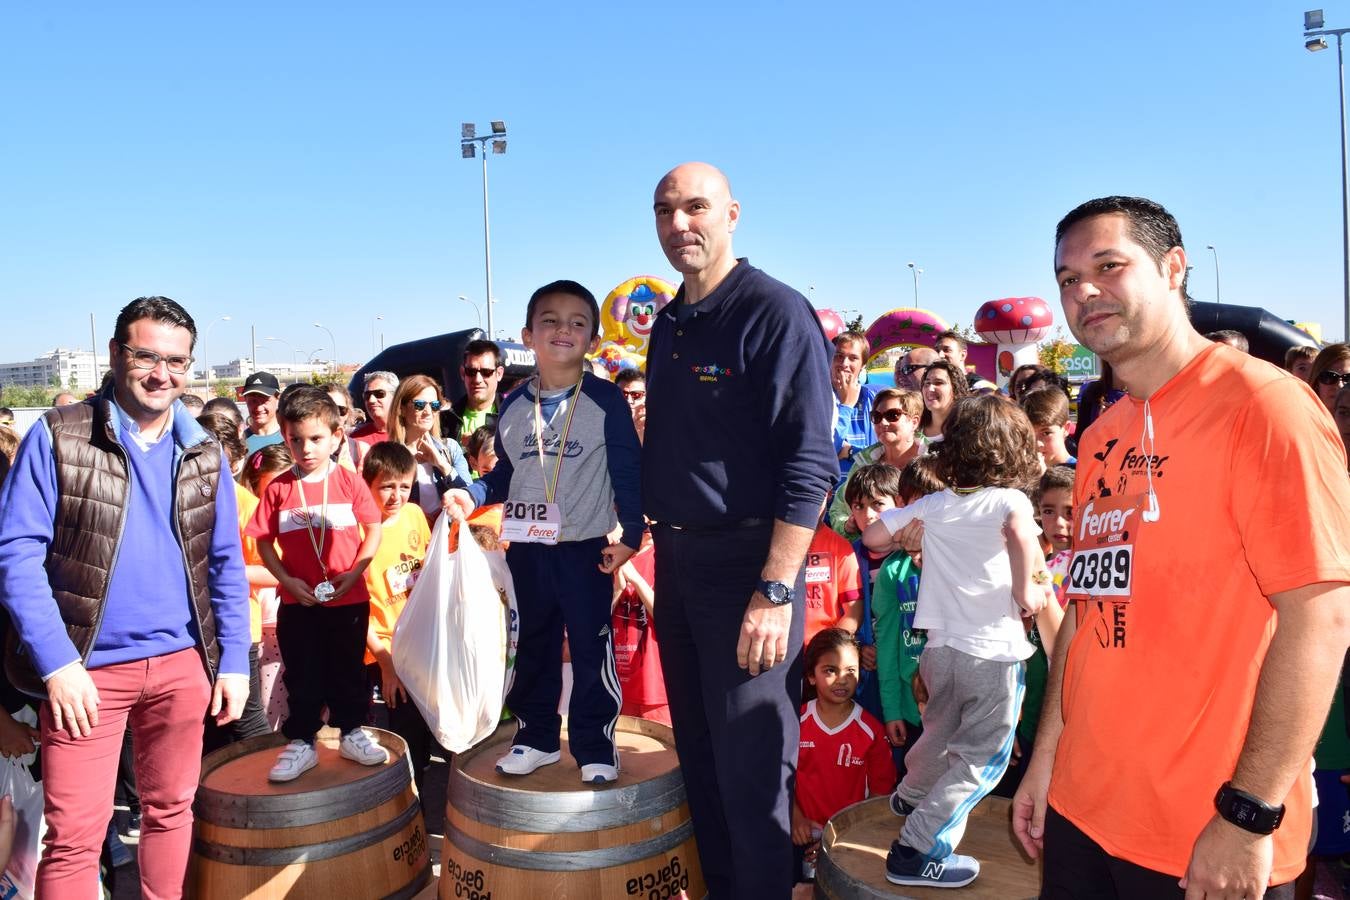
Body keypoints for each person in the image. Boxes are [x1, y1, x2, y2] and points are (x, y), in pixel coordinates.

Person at [1013, 195, 1350, 898]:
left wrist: (1249, 815)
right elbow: (1086, 612)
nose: (1084, 292)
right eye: (1068, 278)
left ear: (1173, 268)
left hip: (1201, 834)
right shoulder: (1103, 435)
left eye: (1109, 266)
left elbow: (1321, 619)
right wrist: (1047, 760)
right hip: (1082, 811)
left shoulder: (1267, 408)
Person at [0, 296, 250, 896]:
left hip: (182, 666)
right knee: (76, 837)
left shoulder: (204, 452)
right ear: (117, 354)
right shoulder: (58, 437)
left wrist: (235, 660)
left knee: (170, 813)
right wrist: (58, 665)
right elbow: (16, 558)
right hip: (85, 675)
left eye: (178, 362)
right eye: (147, 356)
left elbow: (225, 566)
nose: (162, 373)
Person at [643, 162, 837, 899]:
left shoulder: (775, 312)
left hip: (749, 569)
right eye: (664, 211)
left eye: (695, 207)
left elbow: (810, 463)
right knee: (701, 765)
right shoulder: (669, 321)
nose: (678, 224)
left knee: (753, 777)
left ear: (732, 214)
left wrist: (775, 587)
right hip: (679, 562)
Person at [448, 279, 643, 785]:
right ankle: (535, 737)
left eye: (578, 322)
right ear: (527, 335)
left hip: (584, 551)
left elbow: (628, 473)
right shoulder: (512, 406)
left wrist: (631, 537)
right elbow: (504, 474)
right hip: (528, 548)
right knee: (531, 644)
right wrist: (473, 493)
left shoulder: (605, 401)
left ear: (593, 340)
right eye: (550, 321)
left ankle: (595, 744)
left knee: (589, 646)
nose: (564, 330)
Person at [862, 394, 1054, 889]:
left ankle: (910, 793)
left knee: (942, 732)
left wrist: (916, 529)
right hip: (991, 656)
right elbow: (1025, 585)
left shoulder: (933, 503)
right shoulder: (1011, 501)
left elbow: (874, 540)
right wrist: (1033, 588)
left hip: (938, 653)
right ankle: (915, 849)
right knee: (980, 761)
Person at [246, 387, 388, 783]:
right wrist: (286, 578)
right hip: (298, 602)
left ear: (336, 436)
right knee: (303, 673)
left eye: (315, 439)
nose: (305, 448)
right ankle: (303, 741)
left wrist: (357, 570)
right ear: (284, 436)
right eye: (295, 439)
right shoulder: (278, 488)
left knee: (348, 671)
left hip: (349, 598)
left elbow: (374, 528)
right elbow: (261, 540)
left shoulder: (349, 482)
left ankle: (352, 732)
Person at [360, 442, 435, 796]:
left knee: (418, 741)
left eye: (403, 486)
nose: (396, 495)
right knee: (390, 743)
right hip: (383, 653)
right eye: (386, 486)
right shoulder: (360, 532)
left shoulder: (416, 516)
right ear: (368, 485)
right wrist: (386, 663)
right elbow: (357, 610)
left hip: (420, 646)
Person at [793, 628, 895, 882]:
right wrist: (795, 818)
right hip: (798, 834)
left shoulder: (871, 731)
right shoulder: (795, 721)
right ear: (811, 676)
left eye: (851, 670)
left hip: (850, 838)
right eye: (830, 670)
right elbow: (778, 780)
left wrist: (845, 840)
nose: (842, 679)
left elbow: (879, 799)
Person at [827, 388, 924, 539]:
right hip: (872, 553)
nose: (883, 422)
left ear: (914, 421)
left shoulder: (934, 459)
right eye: (876, 417)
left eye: (893, 415)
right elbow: (838, 509)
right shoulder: (864, 462)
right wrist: (847, 526)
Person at [387, 374, 472, 523]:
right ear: (402, 408)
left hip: (447, 539)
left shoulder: (450, 449)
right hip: (410, 539)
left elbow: (468, 497)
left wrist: (443, 465)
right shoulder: (388, 456)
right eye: (420, 405)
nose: (428, 412)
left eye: (434, 406)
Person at [831, 331, 878, 477]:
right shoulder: (819, 397)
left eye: (853, 358)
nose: (844, 364)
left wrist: (851, 451)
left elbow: (882, 453)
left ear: (863, 365)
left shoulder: (873, 399)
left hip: (866, 491)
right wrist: (846, 406)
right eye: (839, 356)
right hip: (828, 494)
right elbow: (826, 452)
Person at [447, 339, 504, 445]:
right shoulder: (447, 419)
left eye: (486, 372)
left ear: (499, 374)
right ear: (463, 373)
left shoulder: (512, 414)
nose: (478, 379)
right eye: (471, 372)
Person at [349, 371, 397, 468]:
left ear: (395, 396)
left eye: (379, 394)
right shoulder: (355, 439)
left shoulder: (411, 433)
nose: (371, 400)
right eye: (367, 395)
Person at [1021, 388, 1076, 469]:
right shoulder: (1023, 474)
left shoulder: (1079, 472)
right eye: (1030, 434)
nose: (1037, 443)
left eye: (1046, 433)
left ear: (1066, 428)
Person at [918, 360, 970, 445]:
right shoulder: (913, 427)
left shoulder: (968, 433)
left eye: (938, 383)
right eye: (927, 383)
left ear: (956, 388)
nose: (930, 388)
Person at [242, 371, 284, 454]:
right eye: (253, 401)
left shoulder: (290, 438)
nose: (259, 408)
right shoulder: (239, 443)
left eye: (264, 400)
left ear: (278, 399)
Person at [1309, 343, 1350, 413]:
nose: (1340, 385)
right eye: (1329, 377)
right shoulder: (1301, 419)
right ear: (1316, 384)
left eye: (1348, 378)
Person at [614, 368, 647, 443]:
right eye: (622, 394)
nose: (629, 401)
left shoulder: (659, 428)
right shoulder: (605, 427)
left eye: (636, 395)